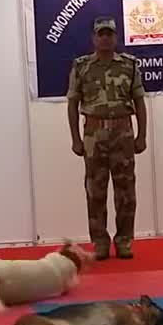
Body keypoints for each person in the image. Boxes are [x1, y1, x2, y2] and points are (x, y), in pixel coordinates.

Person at [66, 16, 149, 260]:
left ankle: (124, 241)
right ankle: (100, 242)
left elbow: (139, 102)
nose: (105, 38)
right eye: (100, 34)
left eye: (109, 34)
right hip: (93, 133)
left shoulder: (129, 65)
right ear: (94, 38)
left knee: (126, 191)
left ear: (116, 38)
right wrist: (75, 139)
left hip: (123, 132)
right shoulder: (81, 66)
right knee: (95, 190)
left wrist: (142, 135)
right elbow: (72, 104)